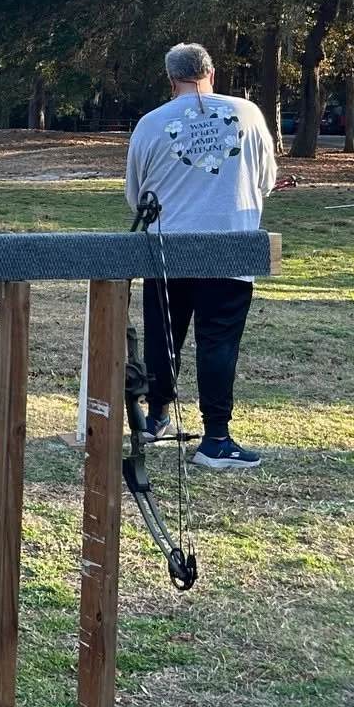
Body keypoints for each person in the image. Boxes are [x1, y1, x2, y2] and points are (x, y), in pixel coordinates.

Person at [124, 42, 279, 471]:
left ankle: (154, 417)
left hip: (167, 246)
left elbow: (136, 195)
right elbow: (266, 179)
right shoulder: (247, 114)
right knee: (218, 343)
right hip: (230, 245)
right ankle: (216, 438)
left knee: (162, 337)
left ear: (170, 79)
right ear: (212, 72)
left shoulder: (150, 123)